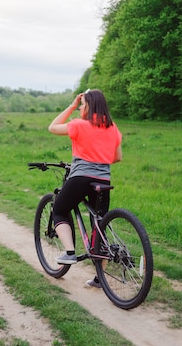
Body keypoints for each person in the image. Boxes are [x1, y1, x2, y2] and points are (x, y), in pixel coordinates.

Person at [48, 89, 122, 288]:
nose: (80, 107)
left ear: (89, 106)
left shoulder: (79, 125)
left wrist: (71, 105)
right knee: (99, 223)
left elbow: (53, 127)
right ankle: (100, 279)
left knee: (60, 210)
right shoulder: (112, 128)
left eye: (82, 105)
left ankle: (70, 253)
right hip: (103, 181)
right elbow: (117, 157)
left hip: (80, 178)